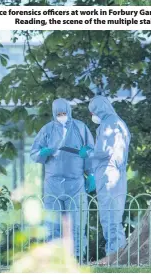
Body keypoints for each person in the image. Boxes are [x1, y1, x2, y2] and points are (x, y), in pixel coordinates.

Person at [30, 98, 95, 261]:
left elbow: (92, 151)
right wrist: (43, 153)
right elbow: (34, 153)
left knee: (78, 224)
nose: (62, 116)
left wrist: (91, 173)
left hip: (76, 183)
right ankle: (54, 260)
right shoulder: (47, 130)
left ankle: (78, 259)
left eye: (64, 113)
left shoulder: (81, 128)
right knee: (53, 225)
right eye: (58, 114)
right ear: (54, 113)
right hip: (53, 184)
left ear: (69, 112)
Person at [79, 95, 131, 255]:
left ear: (99, 109)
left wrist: (89, 152)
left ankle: (115, 256)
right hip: (115, 175)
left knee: (110, 218)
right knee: (114, 217)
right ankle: (117, 255)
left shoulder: (109, 123)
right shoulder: (119, 123)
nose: (92, 115)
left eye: (93, 111)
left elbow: (104, 150)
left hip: (109, 176)